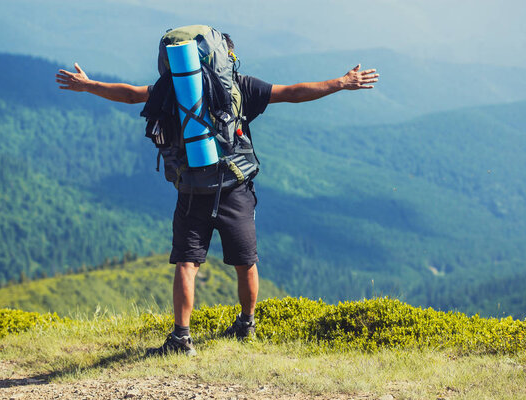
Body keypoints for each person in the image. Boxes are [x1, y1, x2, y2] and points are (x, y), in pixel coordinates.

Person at [55, 33, 378, 356]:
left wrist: (89, 85)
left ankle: (181, 338)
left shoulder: (176, 88)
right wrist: (341, 82)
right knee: (246, 262)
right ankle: (247, 325)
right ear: (226, 56)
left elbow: (130, 95)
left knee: (186, 262)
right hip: (235, 187)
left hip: (192, 188)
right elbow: (292, 93)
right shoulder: (241, 86)